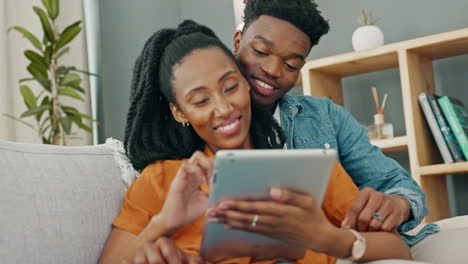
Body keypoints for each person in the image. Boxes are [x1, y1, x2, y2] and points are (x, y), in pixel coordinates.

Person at [98, 20, 412, 264]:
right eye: (201, 100)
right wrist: (164, 223)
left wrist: (327, 238)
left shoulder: (308, 170)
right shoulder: (162, 182)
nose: (223, 109)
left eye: (230, 87)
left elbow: (399, 248)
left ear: (245, 84)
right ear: (180, 112)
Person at [231, 0, 438, 242]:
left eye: (291, 65)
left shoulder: (326, 117)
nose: (273, 70)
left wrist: (398, 204)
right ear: (237, 43)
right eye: (260, 52)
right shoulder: (197, 121)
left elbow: (398, 184)